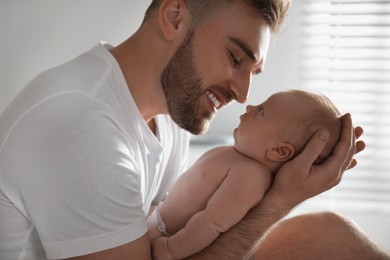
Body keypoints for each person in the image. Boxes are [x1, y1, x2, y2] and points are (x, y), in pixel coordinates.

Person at [0, 0, 383, 259]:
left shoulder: (170, 117)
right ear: (174, 16)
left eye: (253, 72)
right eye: (235, 58)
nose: (243, 93)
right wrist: (278, 202)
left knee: (328, 234)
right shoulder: (77, 121)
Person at [147, 89, 343, 260]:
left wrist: (171, 249)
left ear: (279, 151)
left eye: (261, 111)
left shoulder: (251, 176)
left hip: (171, 238)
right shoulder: (235, 157)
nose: (250, 107)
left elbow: (212, 222)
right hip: (159, 219)